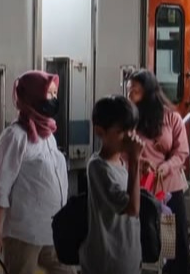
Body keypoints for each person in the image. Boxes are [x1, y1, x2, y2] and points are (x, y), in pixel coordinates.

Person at [0, 70, 73, 274]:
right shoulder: (15, 136)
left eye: (54, 94)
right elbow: (0, 186)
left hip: (50, 229)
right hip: (23, 232)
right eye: (49, 94)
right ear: (32, 96)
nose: (53, 99)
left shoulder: (48, 135)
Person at [128, 70, 190, 274]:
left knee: (174, 244)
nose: (131, 96)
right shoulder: (129, 120)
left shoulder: (172, 118)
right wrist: (138, 161)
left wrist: (167, 166)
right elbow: (121, 151)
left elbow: (181, 152)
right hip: (139, 190)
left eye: (135, 92)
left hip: (169, 189)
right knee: (141, 241)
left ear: (149, 93)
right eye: (130, 91)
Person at [80, 95, 144, 274]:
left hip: (128, 258)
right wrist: (135, 162)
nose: (130, 137)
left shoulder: (121, 164)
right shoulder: (98, 166)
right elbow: (132, 209)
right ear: (100, 131)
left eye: (132, 130)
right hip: (107, 262)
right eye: (123, 131)